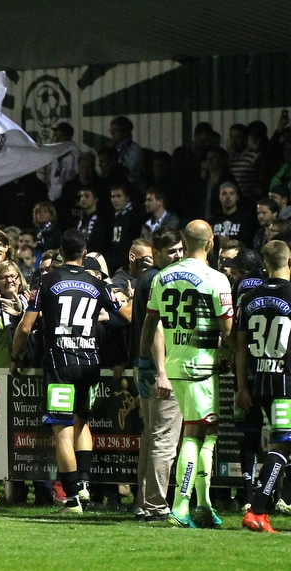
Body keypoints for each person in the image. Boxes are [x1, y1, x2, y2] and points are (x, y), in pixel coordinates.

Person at [11, 229, 131, 514]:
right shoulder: (97, 283)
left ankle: (73, 498)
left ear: (61, 252)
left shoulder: (47, 281)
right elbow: (127, 316)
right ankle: (86, 483)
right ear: (85, 252)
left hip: (60, 363)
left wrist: (16, 356)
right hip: (90, 363)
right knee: (83, 422)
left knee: (63, 429)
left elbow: (26, 326)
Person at [141, 220, 233, 528]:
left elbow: (150, 321)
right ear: (210, 244)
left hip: (175, 364)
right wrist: (233, 352)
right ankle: (181, 506)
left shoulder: (163, 277)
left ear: (185, 240)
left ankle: (203, 504)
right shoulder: (216, 278)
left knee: (207, 435)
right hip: (201, 368)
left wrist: (146, 361)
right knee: (195, 436)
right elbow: (228, 330)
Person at [238, 240, 291, 533]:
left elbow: (241, 346)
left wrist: (242, 386)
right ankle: (257, 511)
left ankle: (261, 505)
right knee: (282, 444)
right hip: (285, 381)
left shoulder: (250, 297)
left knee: (276, 444)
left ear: (265, 263)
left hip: (258, 379)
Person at [132, 228, 184, 521]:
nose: (177, 256)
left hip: (148, 368)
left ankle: (143, 501)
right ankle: (154, 505)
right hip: (160, 371)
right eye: (171, 251)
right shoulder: (160, 279)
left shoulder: (147, 279)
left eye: (180, 250)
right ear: (157, 253)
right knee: (163, 440)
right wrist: (160, 369)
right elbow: (157, 327)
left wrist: (141, 362)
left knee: (151, 438)